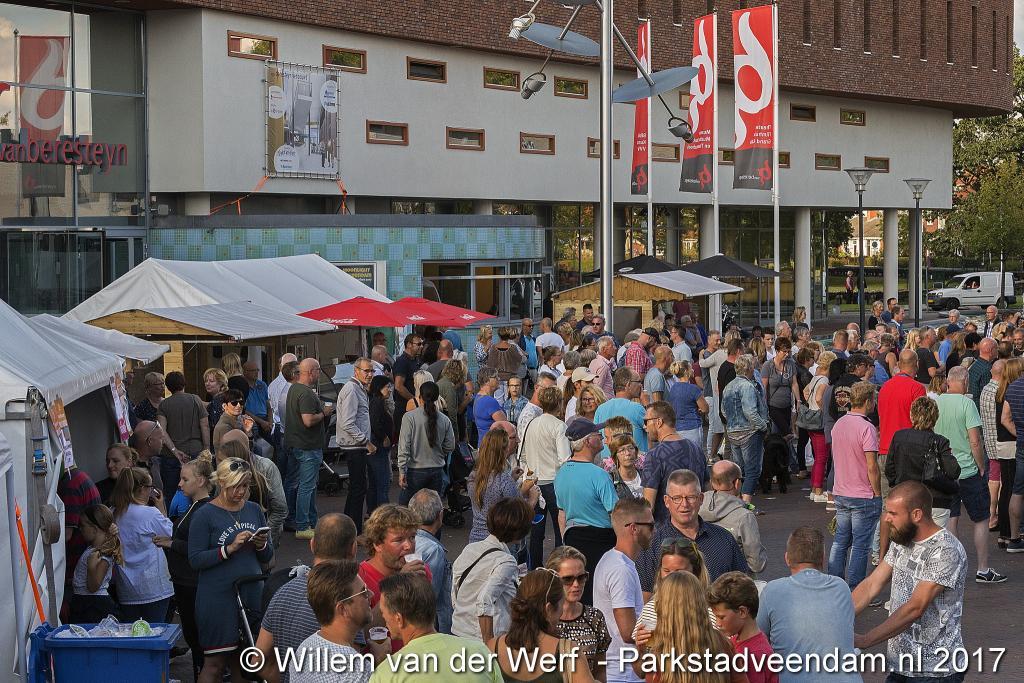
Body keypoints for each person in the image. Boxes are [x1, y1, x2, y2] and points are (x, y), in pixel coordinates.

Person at [852, 482, 968, 683]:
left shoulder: (945, 550)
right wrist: (837, 618)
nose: (886, 518)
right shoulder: (902, 540)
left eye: (893, 513)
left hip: (936, 671)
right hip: (901, 665)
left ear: (916, 515)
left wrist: (865, 640)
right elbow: (871, 585)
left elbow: (915, 608)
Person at [188, 457, 273, 682]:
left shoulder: (254, 509)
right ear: (222, 482)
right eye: (235, 486)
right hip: (218, 598)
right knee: (215, 664)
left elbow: (268, 556)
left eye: (245, 485)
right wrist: (229, 548)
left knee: (244, 664)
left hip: (251, 593)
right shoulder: (204, 515)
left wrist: (261, 544)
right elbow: (195, 559)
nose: (241, 492)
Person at [256, 513, 359, 683]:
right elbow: (352, 669)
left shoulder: (282, 591)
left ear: (312, 544)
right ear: (353, 548)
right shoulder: (350, 599)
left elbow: (258, 660)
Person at [757, 526, 861, 683]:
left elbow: (758, 638)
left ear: (787, 558)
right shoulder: (841, 587)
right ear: (823, 558)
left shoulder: (771, 590)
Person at [934, 365, 1006, 583]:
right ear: (965, 381)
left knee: (951, 518)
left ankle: (953, 566)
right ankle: (982, 568)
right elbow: (975, 441)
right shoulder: (967, 404)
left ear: (948, 381)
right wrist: (981, 465)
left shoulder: (936, 402)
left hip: (944, 471)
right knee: (981, 518)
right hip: (967, 469)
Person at [372, 573, 502, 683]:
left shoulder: (386, 674)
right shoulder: (480, 652)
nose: (383, 617)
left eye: (383, 612)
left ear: (399, 619)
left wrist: (380, 662)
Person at [637, 469, 748, 596]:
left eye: (691, 497)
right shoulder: (652, 545)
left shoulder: (724, 539)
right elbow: (645, 596)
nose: (684, 504)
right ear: (667, 501)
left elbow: (741, 588)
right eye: (677, 498)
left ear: (701, 499)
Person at [153, 456, 215, 679]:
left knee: (197, 637)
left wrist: (172, 544)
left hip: (192, 583)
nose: (179, 484)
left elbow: (201, 547)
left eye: (185, 479)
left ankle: (203, 675)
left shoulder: (204, 509)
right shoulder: (194, 506)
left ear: (201, 481)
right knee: (194, 636)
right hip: (184, 581)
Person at [885, 397, 961, 563]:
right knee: (932, 550)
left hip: (906, 500)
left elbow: (889, 470)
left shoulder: (899, 437)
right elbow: (954, 471)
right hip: (935, 500)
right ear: (935, 418)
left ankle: (906, 577)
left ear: (912, 415)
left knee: (904, 549)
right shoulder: (939, 441)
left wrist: (898, 484)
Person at [555, 417, 619, 605]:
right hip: (602, 541)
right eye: (598, 434)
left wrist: (565, 543)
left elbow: (561, 514)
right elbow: (616, 514)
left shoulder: (561, 473)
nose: (602, 437)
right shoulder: (599, 475)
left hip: (573, 538)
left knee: (581, 594)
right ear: (588, 441)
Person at [451, 497, 532, 641]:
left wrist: (462, 614)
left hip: (458, 630)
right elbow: (485, 600)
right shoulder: (506, 561)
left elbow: (455, 587)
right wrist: (489, 644)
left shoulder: (470, 549)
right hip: (481, 639)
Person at [827, 382, 882, 589]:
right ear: (867, 401)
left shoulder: (839, 424)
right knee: (860, 545)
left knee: (840, 541)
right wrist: (877, 493)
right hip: (862, 493)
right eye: (873, 400)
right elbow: (872, 466)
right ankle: (856, 588)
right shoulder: (867, 427)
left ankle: (835, 584)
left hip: (842, 490)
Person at [592, 497, 652, 683]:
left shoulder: (611, 559)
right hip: (624, 674)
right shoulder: (621, 569)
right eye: (650, 526)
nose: (654, 531)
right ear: (634, 528)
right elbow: (628, 632)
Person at [358, 504, 431, 654]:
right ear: (377, 544)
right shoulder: (359, 579)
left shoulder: (421, 572)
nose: (408, 546)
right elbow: (360, 634)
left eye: (412, 537)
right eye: (399, 540)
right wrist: (398, 584)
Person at [287, 560, 372, 683]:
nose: (371, 594)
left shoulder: (304, 649)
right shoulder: (358, 671)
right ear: (343, 609)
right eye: (364, 593)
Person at [110, 466, 174, 622]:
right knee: (156, 630)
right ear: (142, 489)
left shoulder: (113, 513)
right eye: (150, 487)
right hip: (154, 587)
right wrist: (161, 508)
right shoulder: (150, 513)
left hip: (126, 588)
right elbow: (170, 533)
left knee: (132, 632)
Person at [518, 385, 571, 567]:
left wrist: (529, 476)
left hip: (534, 482)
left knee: (536, 531)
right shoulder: (559, 426)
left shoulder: (531, 424)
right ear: (559, 403)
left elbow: (523, 455)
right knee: (559, 529)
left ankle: (534, 568)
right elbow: (565, 459)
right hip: (554, 482)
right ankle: (558, 567)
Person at [285, 358, 333, 540]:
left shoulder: (294, 388)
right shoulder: (305, 393)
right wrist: (324, 413)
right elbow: (308, 420)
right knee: (306, 486)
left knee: (304, 484)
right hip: (307, 446)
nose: (319, 374)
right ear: (312, 372)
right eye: (318, 370)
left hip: (297, 444)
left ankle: (311, 521)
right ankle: (303, 524)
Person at [546, 546, 612, 679]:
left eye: (581, 577)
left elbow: (600, 670)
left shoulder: (595, 617)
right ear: (553, 580)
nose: (576, 584)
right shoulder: (543, 618)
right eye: (568, 579)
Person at [469, 426, 538, 543]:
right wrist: (532, 499)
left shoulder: (474, 475)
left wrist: (512, 479)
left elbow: (491, 495)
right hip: (500, 540)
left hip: (476, 537)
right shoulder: (503, 479)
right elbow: (518, 515)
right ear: (503, 451)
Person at [708, 572, 779, 683]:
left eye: (721, 617)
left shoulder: (752, 658)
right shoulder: (741, 640)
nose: (717, 623)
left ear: (742, 612)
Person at [642, 402, 707, 521]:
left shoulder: (655, 455)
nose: (644, 426)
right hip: (696, 523)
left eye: (646, 421)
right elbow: (707, 489)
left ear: (658, 422)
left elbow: (648, 506)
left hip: (666, 527)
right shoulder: (696, 448)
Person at [700, 460, 767, 574]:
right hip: (734, 579)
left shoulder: (697, 506)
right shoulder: (744, 516)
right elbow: (757, 564)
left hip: (703, 576)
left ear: (711, 483)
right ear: (736, 483)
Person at [985, 358, 1023, 546]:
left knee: (1007, 487)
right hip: (1011, 442)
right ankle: (1009, 532)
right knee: (1012, 488)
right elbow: (1005, 419)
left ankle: (1005, 533)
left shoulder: (1002, 390)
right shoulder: (1010, 390)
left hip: (1002, 442)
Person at [398, 381, 455, 505]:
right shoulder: (445, 419)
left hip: (415, 469)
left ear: (420, 397)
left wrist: (402, 470)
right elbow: (450, 445)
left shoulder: (409, 417)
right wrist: (440, 452)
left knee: (406, 507)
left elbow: (404, 446)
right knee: (431, 507)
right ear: (437, 398)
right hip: (437, 469)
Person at [723, 355, 769, 504]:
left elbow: (724, 410)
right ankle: (746, 504)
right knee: (752, 470)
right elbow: (750, 412)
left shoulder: (728, 386)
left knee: (739, 469)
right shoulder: (747, 386)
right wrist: (763, 426)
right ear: (749, 368)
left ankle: (738, 502)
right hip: (749, 431)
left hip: (732, 431)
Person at [338, 357, 377, 533]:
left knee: (357, 488)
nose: (370, 374)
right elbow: (347, 422)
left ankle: (349, 529)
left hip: (356, 445)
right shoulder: (352, 389)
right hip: (354, 446)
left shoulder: (358, 388)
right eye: (366, 371)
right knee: (358, 489)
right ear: (356, 371)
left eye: (371, 371)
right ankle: (354, 531)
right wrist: (365, 442)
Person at [156, 371, 209, 500]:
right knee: (199, 490)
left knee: (171, 493)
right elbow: (205, 425)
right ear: (184, 383)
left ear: (168, 387)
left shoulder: (164, 405)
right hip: (195, 452)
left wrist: (174, 450)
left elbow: (161, 431)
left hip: (171, 456)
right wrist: (206, 448)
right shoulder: (195, 399)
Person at [408, 488, 453, 635]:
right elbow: (431, 597)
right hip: (431, 627)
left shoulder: (406, 541)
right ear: (440, 515)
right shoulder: (434, 550)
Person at [70, 504, 123, 624]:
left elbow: (93, 587)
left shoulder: (103, 554)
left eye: (83, 525)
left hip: (94, 605)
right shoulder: (93, 549)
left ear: (94, 529)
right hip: (85, 601)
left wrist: (91, 567)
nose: (80, 529)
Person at [595, 368, 649, 452]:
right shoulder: (637, 409)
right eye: (639, 382)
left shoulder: (600, 409)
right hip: (633, 459)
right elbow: (654, 429)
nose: (641, 386)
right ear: (628, 384)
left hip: (607, 460)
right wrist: (646, 404)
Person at [761, 337, 799, 440]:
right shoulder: (768, 365)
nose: (787, 354)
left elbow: (794, 383)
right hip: (773, 405)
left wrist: (798, 400)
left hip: (787, 405)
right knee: (785, 432)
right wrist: (764, 406)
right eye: (784, 351)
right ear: (777, 351)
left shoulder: (790, 364)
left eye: (788, 352)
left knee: (783, 434)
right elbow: (764, 387)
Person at [367, 375, 394, 514]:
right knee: (382, 482)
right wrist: (383, 436)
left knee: (374, 483)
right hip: (379, 446)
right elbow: (375, 421)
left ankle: (372, 511)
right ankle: (384, 514)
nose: (389, 390)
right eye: (387, 387)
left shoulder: (376, 401)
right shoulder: (377, 403)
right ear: (379, 388)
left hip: (376, 444)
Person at [392, 333, 424, 442]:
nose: (421, 346)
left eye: (422, 344)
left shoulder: (415, 360)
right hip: (404, 408)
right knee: (405, 441)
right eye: (418, 344)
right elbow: (398, 386)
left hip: (413, 408)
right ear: (409, 344)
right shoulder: (402, 361)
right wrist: (415, 401)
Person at [667, 361, 707, 447]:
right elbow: (705, 408)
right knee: (695, 453)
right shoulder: (693, 389)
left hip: (677, 428)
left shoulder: (673, 388)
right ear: (686, 371)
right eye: (691, 368)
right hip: (692, 427)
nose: (693, 370)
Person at [473, 367, 507, 447]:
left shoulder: (478, 397)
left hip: (483, 444)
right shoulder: (489, 401)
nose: (499, 379)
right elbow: (505, 425)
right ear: (486, 381)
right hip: (492, 446)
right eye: (495, 377)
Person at [608, 434, 645, 500]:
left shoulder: (645, 475)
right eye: (622, 450)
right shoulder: (611, 480)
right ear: (615, 456)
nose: (628, 453)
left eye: (631, 448)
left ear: (636, 452)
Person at [968, 337, 997, 407]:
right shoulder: (988, 369)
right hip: (980, 407)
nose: (997, 350)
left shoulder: (974, 365)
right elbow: (988, 395)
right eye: (996, 348)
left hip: (972, 404)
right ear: (991, 350)